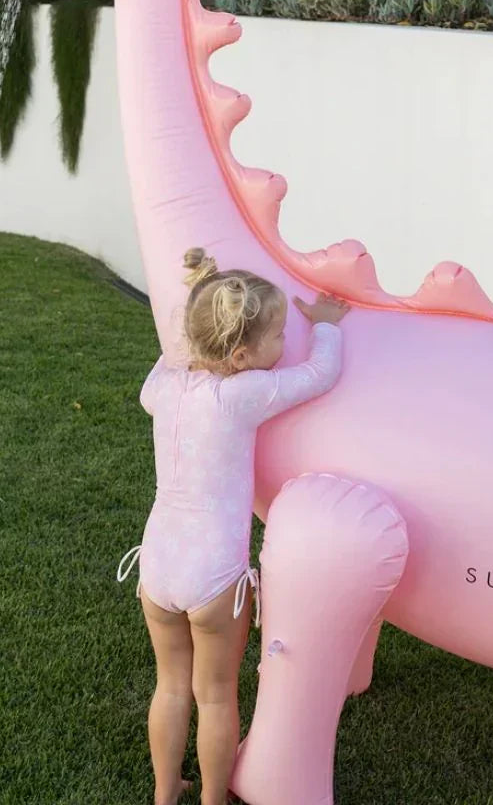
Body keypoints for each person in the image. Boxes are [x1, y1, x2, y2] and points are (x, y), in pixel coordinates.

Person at [117, 248, 350, 805]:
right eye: (275, 339)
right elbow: (321, 374)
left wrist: (200, 289)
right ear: (244, 355)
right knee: (216, 695)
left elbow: (169, 357)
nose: (280, 347)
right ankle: (214, 798)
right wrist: (325, 327)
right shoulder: (242, 395)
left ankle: (165, 792)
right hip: (214, 574)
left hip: (158, 564)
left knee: (171, 686)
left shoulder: (164, 387)